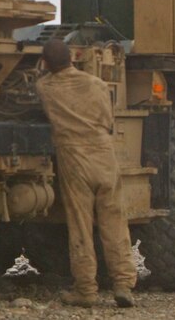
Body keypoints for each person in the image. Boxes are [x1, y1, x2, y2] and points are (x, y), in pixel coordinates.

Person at [36, 38, 136, 308]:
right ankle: (123, 284)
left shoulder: (45, 87)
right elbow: (108, 120)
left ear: (46, 63)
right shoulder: (97, 84)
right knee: (114, 221)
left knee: (80, 225)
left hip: (74, 156)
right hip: (104, 153)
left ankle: (86, 290)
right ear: (72, 58)